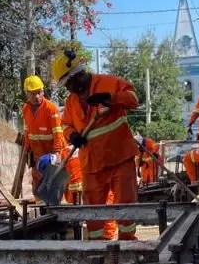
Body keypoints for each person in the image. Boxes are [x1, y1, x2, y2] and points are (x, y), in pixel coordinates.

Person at [53, 48, 140, 242]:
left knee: (125, 206)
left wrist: (110, 98)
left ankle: (127, 246)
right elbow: (65, 124)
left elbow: (134, 99)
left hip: (120, 157)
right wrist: (72, 135)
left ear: (78, 74)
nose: (69, 88)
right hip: (92, 163)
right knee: (93, 210)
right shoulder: (71, 102)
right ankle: (96, 249)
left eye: (69, 83)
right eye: (65, 85)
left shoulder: (109, 82)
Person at [21, 74, 82, 202]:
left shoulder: (51, 109)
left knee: (55, 183)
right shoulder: (26, 109)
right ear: (27, 93)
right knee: (38, 183)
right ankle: (41, 210)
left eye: (39, 92)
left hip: (52, 154)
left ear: (43, 91)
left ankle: (59, 208)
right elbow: (27, 131)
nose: (37, 96)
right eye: (33, 93)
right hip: (37, 153)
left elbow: (58, 134)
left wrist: (56, 155)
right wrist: (27, 150)